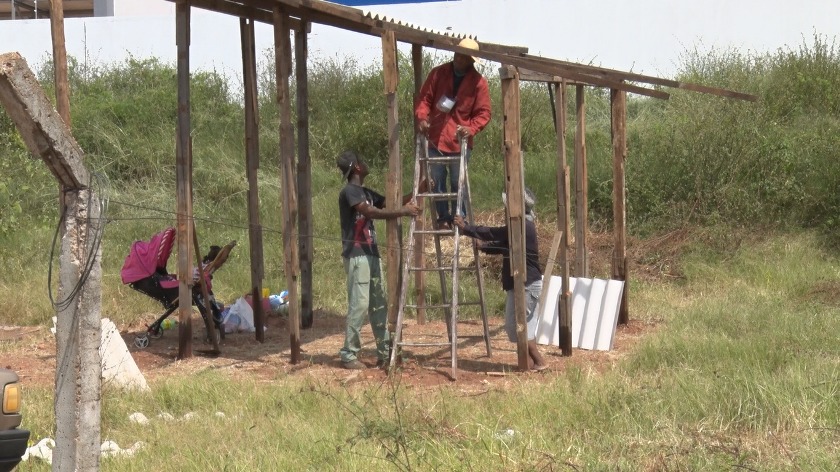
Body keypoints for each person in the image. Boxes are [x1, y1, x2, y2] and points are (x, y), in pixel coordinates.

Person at [336, 150, 427, 370]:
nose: (366, 163)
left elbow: (388, 203)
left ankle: (385, 353)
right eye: (362, 160)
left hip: (371, 253)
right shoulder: (350, 192)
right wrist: (404, 212)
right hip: (357, 254)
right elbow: (372, 213)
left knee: (378, 304)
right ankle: (349, 354)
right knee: (359, 304)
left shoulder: (364, 191)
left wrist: (417, 191)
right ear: (357, 167)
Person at [453, 188, 548, 371]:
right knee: (521, 326)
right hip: (523, 282)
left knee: (519, 326)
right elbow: (504, 245)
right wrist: (484, 247)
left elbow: (494, 233)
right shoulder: (521, 226)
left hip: (526, 283)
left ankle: (540, 361)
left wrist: (467, 228)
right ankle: (529, 364)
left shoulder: (521, 226)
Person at [415, 37, 491, 230]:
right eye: (458, 54)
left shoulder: (478, 83)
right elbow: (425, 99)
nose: (459, 59)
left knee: (459, 182)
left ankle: (460, 218)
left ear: (471, 61)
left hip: (459, 141)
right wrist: (422, 118)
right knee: (437, 181)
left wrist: (471, 128)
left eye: (464, 57)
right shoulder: (438, 73)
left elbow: (484, 113)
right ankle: (442, 218)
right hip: (435, 137)